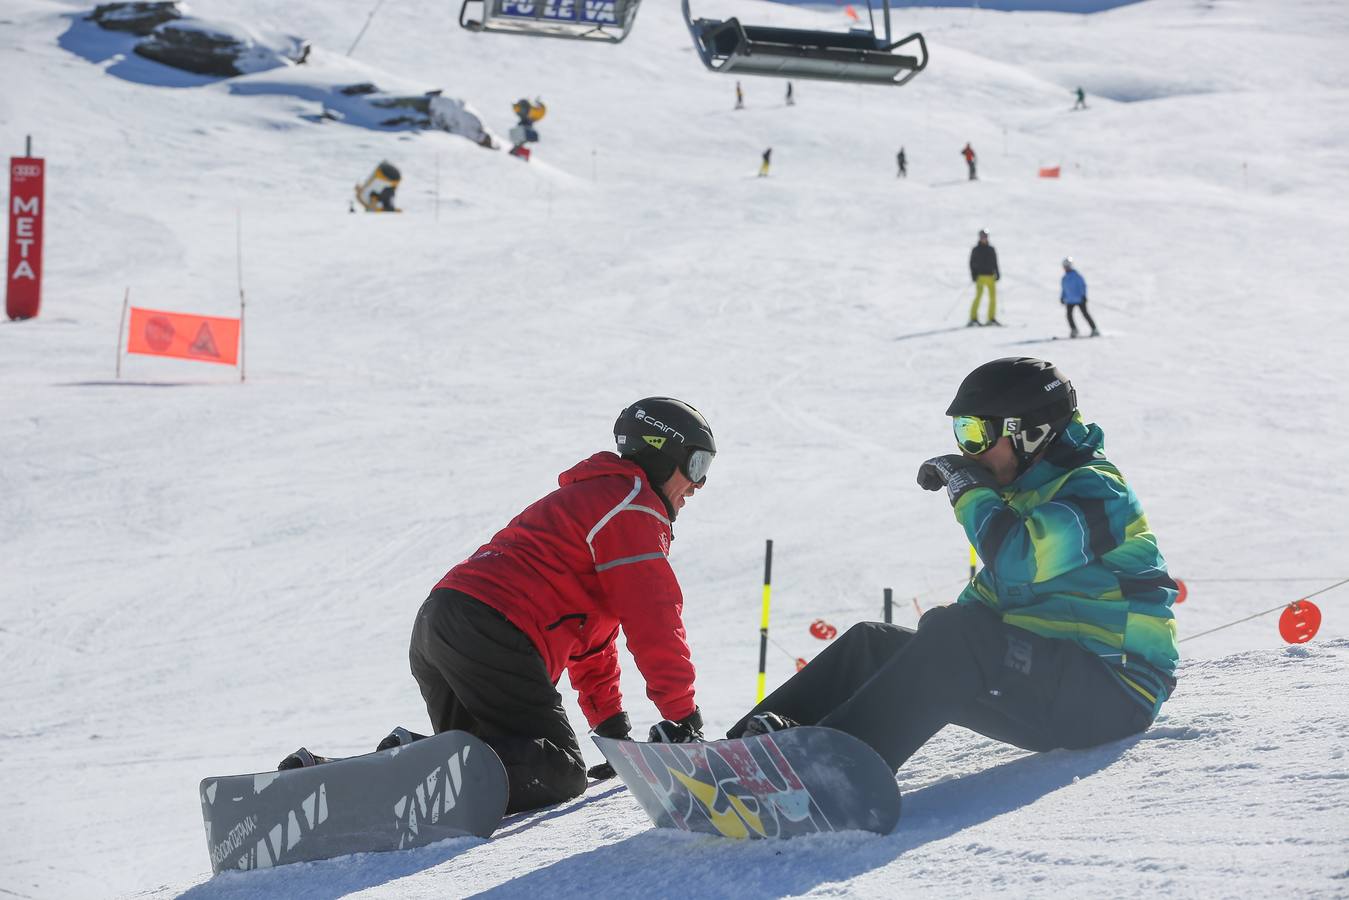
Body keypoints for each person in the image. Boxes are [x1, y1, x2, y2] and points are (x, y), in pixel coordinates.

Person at [727, 358, 1180, 778]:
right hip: (1054, 682)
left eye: (978, 434)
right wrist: (932, 647)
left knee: (955, 632)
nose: (970, 452)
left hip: (1114, 692)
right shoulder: (1026, 498)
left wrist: (967, 488)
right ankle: (737, 759)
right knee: (876, 642)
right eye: (963, 434)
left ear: (1031, 432)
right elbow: (993, 599)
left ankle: (830, 772)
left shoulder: (1096, 491)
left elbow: (1017, 561)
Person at [281, 398, 715, 814]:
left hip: (441, 623)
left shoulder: (597, 501)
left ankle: (327, 779)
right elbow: (654, 616)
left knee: (475, 765)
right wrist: (682, 716)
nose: (698, 486)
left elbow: (590, 633)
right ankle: (407, 755)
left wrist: (612, 731)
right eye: (697, 465)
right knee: (559, 771)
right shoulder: (632, 507)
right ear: (661, 453)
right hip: (495, 629)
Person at [968, 228, 1000, 326]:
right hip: (980, 277)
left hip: (991, 276)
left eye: (985, 236)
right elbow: (972, 263)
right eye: (982, 236)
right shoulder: (976, 249)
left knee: (993, 298)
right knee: (978, 296)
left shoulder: (991, 249)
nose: (984, 238)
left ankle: (991, 318)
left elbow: (995, 262)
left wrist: (997, 273)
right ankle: (973, 318)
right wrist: (974, 275)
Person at [1060, 257, 1099, 337]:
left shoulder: (1077, 276)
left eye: (1067, 266)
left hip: (1079, 299)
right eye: (1065, 266)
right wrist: (1062, 297)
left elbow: (1083, 286)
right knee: (1069, 315)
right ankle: (1074, 330)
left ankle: (1094, 329)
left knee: (1085, 314)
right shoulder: (1064, 278)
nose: (1066, 268)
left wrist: (1083, 295)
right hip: (1069, 300)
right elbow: (1064, 289)